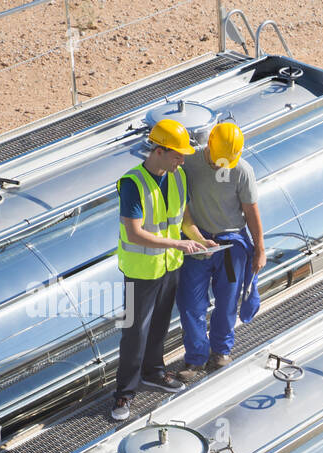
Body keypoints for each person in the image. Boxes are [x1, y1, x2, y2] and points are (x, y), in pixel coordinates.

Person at [111, 118, 208, 421]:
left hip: (168, 266)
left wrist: (200, 239)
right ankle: (124, 394)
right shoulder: (132, 183)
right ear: (159, 150)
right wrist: (178, 245)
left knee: (160, 326)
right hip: (140, 270)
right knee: (133, 334)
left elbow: (184, 218)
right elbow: (134, 233)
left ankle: (154, 372)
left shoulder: (177, 176)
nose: (182, 160)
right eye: (177, 154)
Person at [175, 121, 266, 381]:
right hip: (197, 243)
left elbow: (251, 211)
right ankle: (195, 359)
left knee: (227, 300)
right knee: (191, 303)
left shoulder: (242, 170)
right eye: (216, 160)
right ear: (209, 146)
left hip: (231, 245)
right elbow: (182, 204)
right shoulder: (189, 163)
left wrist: (259, 248)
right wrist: (197, 238)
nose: (219, 166)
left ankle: (221, 351)